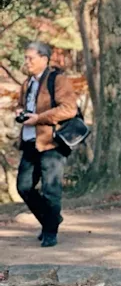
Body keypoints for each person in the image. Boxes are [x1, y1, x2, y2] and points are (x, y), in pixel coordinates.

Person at [15, 41, 77, 247]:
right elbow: (23, 105)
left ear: (44, 59)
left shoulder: (57, 80)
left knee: (51, 189)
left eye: (30, 58)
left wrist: (39, 118)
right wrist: (20, 112)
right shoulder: (27, 83)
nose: (27, 62)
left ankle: (50, 231)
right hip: (30, 141)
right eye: (26, 58)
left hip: (52, 142)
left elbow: (69, 109)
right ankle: (51, 219)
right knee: (24, 187)